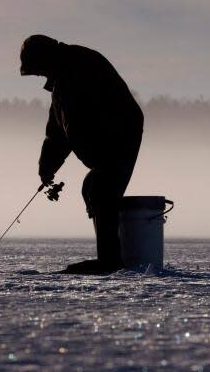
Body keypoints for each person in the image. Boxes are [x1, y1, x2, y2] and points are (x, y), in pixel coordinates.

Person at [20, 34, 144, 274]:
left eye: (38, 70)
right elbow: (57, 131)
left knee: (100, 188)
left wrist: (89, 153)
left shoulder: (78, 67)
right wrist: (47, 167)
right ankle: (109, 258)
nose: (39, 76)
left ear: (45, 59)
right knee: (94, 187)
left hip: (121, 135)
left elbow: (74, 123)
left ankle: (109, 262)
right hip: (106, 145)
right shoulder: (62, 79)